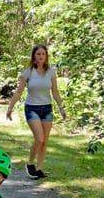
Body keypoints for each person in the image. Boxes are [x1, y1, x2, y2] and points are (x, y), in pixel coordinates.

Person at [5, 44, 66, 179]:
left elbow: (55, 92)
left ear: (46, 56)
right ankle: (30, 164)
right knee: (39, 138)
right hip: (32, 108)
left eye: (43, 54)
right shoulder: (27, 72)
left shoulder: (51, 72)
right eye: (38, 54)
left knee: (45, 141)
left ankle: (39, 169)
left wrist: (61, 108)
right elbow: (19, 92)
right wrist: (10, 108)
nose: (41, 56)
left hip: (47, 109)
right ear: (34, 56)